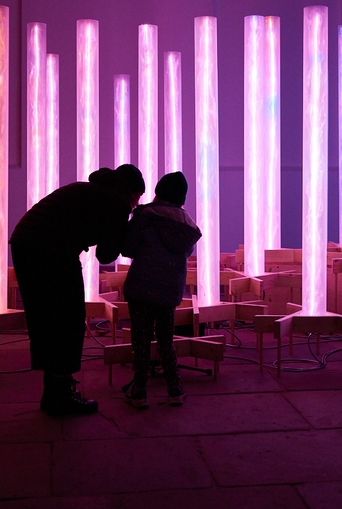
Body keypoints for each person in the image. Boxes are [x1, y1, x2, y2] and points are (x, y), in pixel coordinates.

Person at [10, 163, 145, 416]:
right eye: (137, 198)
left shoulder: (91, 190)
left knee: (48, 320)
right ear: (130, 191)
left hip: (26, 244)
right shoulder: (117, 202)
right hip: (50, 251)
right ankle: (59, 397)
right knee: (68, 320)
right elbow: (106, 255)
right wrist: (128, 229)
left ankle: (54, 392)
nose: (136, 204)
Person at [121, 171, 202, 409]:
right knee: (166, 339)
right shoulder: (187, 224)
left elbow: (128, 247)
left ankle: (140, 390)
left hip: (141, 286)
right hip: (169, 290)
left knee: (141, 339)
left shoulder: (146, 215)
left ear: (159, 192)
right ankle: (174, 389)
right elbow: (185, 252)